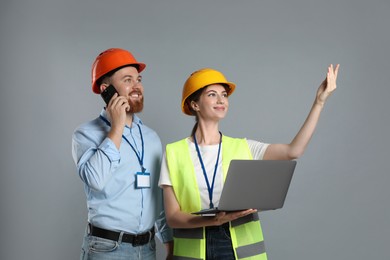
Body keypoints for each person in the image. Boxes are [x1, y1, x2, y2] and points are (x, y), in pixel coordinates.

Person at [159, 65, 339, 259]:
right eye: (212, 94)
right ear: (195, 104)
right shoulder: (174, 152)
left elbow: (293, 151)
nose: (221, 100)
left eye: (224, 95)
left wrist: (319, 102)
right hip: (193, 252)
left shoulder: (244, 147)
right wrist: (214, 221)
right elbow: (173, 217)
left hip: (238, 249)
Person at [72, 48, 173, 260]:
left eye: (138, 79)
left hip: (147, 248)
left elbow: (158, 195)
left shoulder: (151, 137)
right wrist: (116, 128)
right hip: (107, 249)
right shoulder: (85, 134)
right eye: (128, 80)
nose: (137, 86)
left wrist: (169, 242)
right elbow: (96, 180)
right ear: (106, 89)